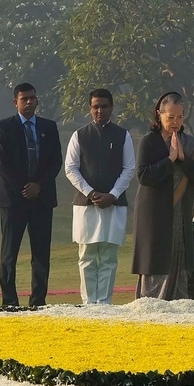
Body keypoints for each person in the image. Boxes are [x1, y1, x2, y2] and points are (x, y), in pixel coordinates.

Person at [132, 91, 194, 300]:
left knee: (180, 259)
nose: (176, 122)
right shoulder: (149, 141)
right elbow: (143, 176)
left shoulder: (191, 144)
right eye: (170, 117)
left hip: (180, 213)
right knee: (155, 261)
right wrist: (169, 159)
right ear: (159, 115)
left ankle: (179, 303)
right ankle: (151, 305)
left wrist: (183, 159)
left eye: (180, 117)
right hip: (154, 213)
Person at [0, 83, 62, 308]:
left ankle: (38, 301)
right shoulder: (4, 127)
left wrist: (38, 186)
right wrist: (24, 188)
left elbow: (55, 163)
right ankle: (9, 302)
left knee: (41, 255)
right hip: (13, 200)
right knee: (9, 254)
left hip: (41, 199)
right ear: (16, 102)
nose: (29, 102)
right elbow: (2, 164)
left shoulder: (49, 127)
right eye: (24, 99)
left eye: (32, 98)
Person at [65, 88, 135, 305]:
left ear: (111, 108)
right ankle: (88, 303)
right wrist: (91, 193)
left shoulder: (123, 135)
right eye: (95, 106)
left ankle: (104, 303)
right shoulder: (79, 135)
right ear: (90, 108)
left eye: (104, 106)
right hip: (86, 205)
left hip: (114, 205)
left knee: (108, 257)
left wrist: (112, 195)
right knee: (86, 256)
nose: (100, 110)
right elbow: (70, 168)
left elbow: (129, 169)